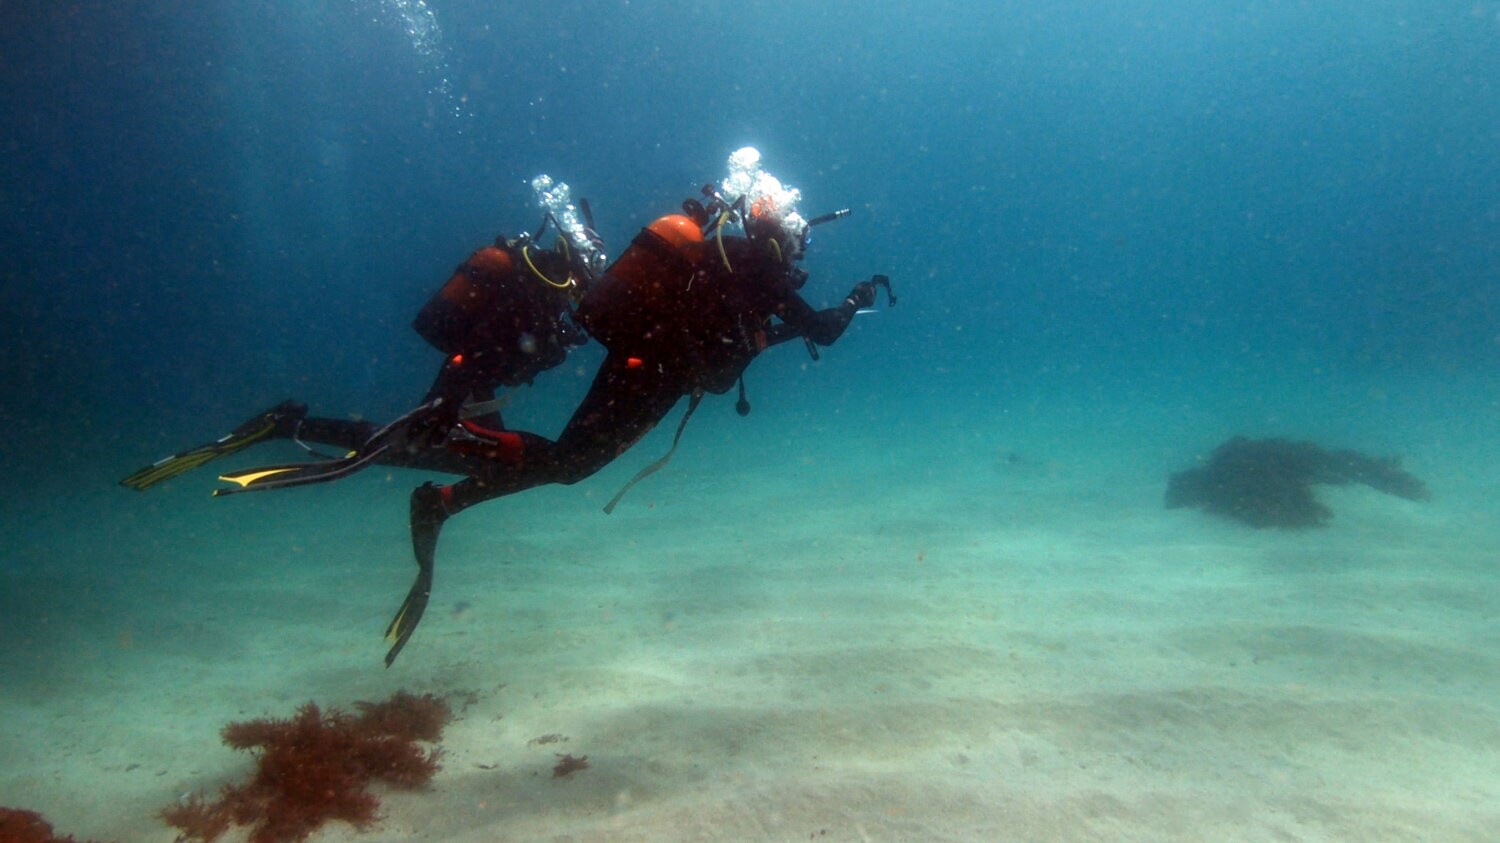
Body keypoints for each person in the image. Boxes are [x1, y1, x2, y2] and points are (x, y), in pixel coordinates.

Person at [119, 177, 602, 494]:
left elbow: (502, 351)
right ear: (570, 263)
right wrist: (445, 405)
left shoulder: (542, 295)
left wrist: (552, 344)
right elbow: (477, 351)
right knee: (406, 446)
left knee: (472, 458)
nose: (584, 292)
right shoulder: (532, 292)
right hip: (463, 384)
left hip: (471, 385)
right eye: (585, 279)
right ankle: (287, 426)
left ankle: (295, 428)